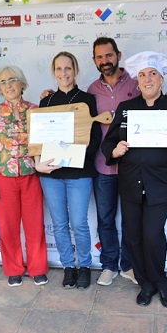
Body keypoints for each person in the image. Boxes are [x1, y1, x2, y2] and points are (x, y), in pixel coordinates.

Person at [101, 51, 167, 308]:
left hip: (161, 183)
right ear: (137, 81)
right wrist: (115, 150)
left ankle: (161, 281)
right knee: (133, 236)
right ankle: (145, 283)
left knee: (153, 235)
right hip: (131, 182)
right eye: (142, 75)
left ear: (161, 79)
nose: (147, 79)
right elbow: (108, 142)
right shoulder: (125, 109)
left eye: (152, 74)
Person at [36, 51, 101, 290]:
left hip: (79, 172)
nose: (63, 73)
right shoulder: (46, 102)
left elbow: (94, 138)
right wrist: (43, 160)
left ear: (75, 70)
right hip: (51, 174)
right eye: (59, 69)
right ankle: (68, 267)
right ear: (54, 72)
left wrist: (75, 157)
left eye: (68, 68)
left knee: (79, 222)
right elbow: (39, 139)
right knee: (60, 223)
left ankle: (84, 266)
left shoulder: (87, 100)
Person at [0, 65, 48, 287]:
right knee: (8, 225)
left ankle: (38, 268)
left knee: (35, 224)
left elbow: (41, 145)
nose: (8, 85)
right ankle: (14, 269)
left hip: (31, 175)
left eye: (12, 80)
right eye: (2, 82)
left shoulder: (35, 110)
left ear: (22, 83)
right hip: (3, 177)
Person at [87, 37, 138, 286]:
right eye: (99, 57)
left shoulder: (138, 83)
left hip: (132, 164)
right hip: (102, 164)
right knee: (105, 218)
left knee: (131, 218)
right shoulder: (90, 91)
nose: (104, 61)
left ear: (118, 54)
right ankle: (109, 264)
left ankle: (128, 265)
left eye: (108, 55)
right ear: (94, 60)